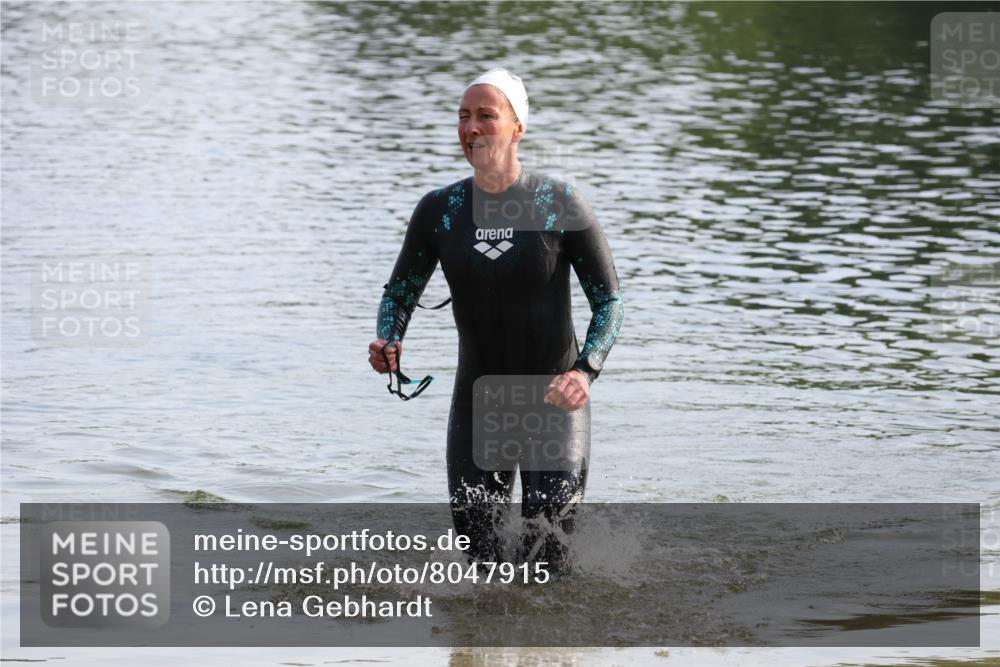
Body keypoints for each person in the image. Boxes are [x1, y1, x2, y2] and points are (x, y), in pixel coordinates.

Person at [368, 68, 623, 570]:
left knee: (548, 563)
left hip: (554, 407)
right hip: (477, 406)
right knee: (480, 569)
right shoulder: (440, 210)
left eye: (486, 116)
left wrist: (584, 371)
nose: (471, 128)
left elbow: (609, 301)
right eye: (463, 117)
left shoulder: (558, 203)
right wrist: (388, 341)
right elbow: (399, 293)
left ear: (517, 127)